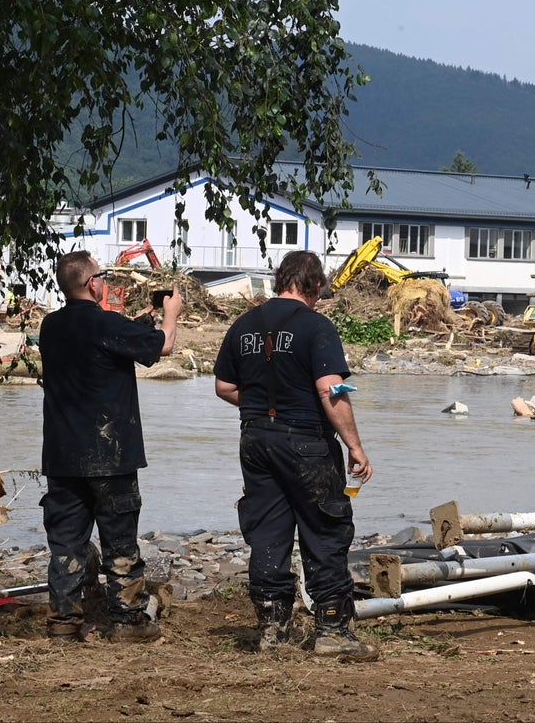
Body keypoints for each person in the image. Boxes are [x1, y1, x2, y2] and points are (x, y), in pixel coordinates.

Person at [214, 250, 377, 661]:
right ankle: (333, 630)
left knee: (268, 529)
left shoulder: (244, 325)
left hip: (254, 440)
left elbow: (224, 386)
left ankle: (272, 630)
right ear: (315, 285)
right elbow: (331, 390)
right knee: (324, 528)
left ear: (279, 280)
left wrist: (265, 410)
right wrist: (355, 446)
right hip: (306, 442)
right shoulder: (317, 326)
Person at [39, 251, 183, 642]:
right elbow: (164, 347)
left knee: (66, 544)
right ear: (92, 283)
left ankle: (64, 624)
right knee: (119, 540)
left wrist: (135, 326)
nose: (104, 281)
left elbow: (94, 348)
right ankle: (128, 622)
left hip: (63, 456)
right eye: (101, 276)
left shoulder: (50, 326)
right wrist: (170, 313)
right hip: (111, 455)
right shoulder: (107, 323)